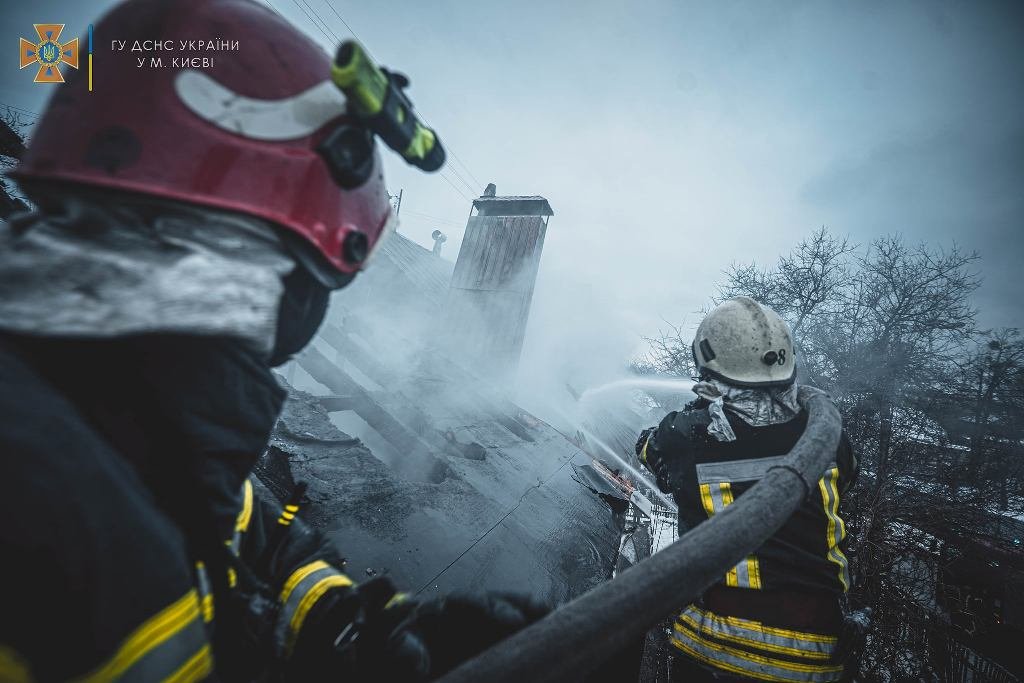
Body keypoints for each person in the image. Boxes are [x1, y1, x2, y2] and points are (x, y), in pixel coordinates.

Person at [0, 1, 543, 681]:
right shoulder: (31, 487)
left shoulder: (145, 420)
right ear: (274, 262)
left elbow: (249, 533)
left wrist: (353, 630)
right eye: (323, 276)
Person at [636, 297, 857, 682]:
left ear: (707, 362)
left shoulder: (690, 434)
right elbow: (848, 478)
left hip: (722, 649)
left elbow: (648, 449)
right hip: (820, 654)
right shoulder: (826, 433)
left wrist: (696, 411)